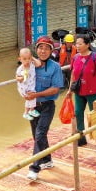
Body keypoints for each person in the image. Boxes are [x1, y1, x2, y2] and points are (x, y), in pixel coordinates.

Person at [25, 36, 64, 181]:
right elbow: (21, 77)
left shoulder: (55, 67)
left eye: (46, 48)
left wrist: (37, 94)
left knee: (40, 134)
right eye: (40, 48)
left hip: (47, 106)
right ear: (36, 50)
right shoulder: (30, 65)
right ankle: (47, 160)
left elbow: (55, 89)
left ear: (51, 51)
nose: (43, 51)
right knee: (37, 136)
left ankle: (34, 168)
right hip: (33, 106)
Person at [64, 34, 96, 146]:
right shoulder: (75, 58)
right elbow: (73, 74)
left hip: (94, 91)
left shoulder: (95, 57)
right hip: (79, 91)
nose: (77, 46)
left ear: (87, 45)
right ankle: (81, 137)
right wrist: (70, 90)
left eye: (80, 43)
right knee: (78, 112)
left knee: (95, 114)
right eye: (76, 43)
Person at [16, 48, 42, 120]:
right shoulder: (20, 69)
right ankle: (29, 111)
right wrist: (21, 78)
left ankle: (28, 111)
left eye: (29, 58)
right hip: (23, 87)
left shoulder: (32, 64)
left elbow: (39, 64)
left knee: (30, 99)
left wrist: (32, 58)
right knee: (31, 97)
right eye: (24, 59)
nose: (27, 61)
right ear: (20, 59)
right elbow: (17, 77)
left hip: (30, 86)